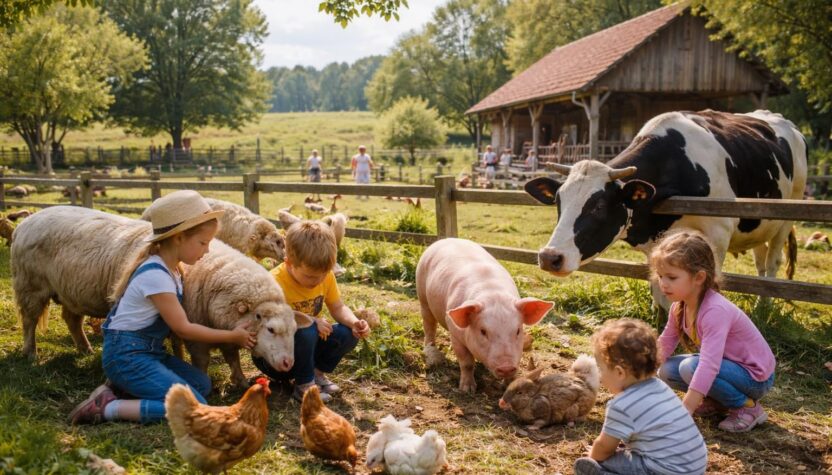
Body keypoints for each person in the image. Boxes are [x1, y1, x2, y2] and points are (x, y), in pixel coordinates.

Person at [68, 191, 257, 425]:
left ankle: (122, 389)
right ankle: (108, 408)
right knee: (193, 406)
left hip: (149, 352)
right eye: (203, 243)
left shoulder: (173, 269)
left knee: (202, 384)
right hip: (126, 356)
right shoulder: (157, 276)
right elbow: (183, 329)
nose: (207, 250)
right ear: (178, 238)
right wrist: (232, 336)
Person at [653, 230, 776, 432]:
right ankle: (717, 401)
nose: (663, 284)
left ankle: (748, 408)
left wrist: (685, 411)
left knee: (690, 367)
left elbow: (708, 365)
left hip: (755, 377)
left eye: (672, 277)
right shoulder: (679, 306)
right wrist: (639, 380)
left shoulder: (714, 310)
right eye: (660, 276)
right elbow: (665, 343)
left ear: (699, 277)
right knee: (665, 370)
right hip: (729, 368)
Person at [253, 220, 371, 402]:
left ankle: (315, 373)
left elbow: (338, 307)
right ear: (288, 262)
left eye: (323, 274)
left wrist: (354, 322)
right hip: (276, 358)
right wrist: (313, 321)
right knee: (307, 329)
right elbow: (267, 321)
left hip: (305, 352)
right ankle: (304, 386)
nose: (318, 281)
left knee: (347, 333)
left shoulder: (325, 276)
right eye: (310, 276)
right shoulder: (274, 282)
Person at [574, 319, 707, 475]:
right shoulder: (661, 387)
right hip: (695, 467)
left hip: (664, 470)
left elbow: (604, 448)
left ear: (619, 373)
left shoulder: (622, 405)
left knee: (594, 463)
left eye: (601, 369)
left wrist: (594, 456)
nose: (600, 377)